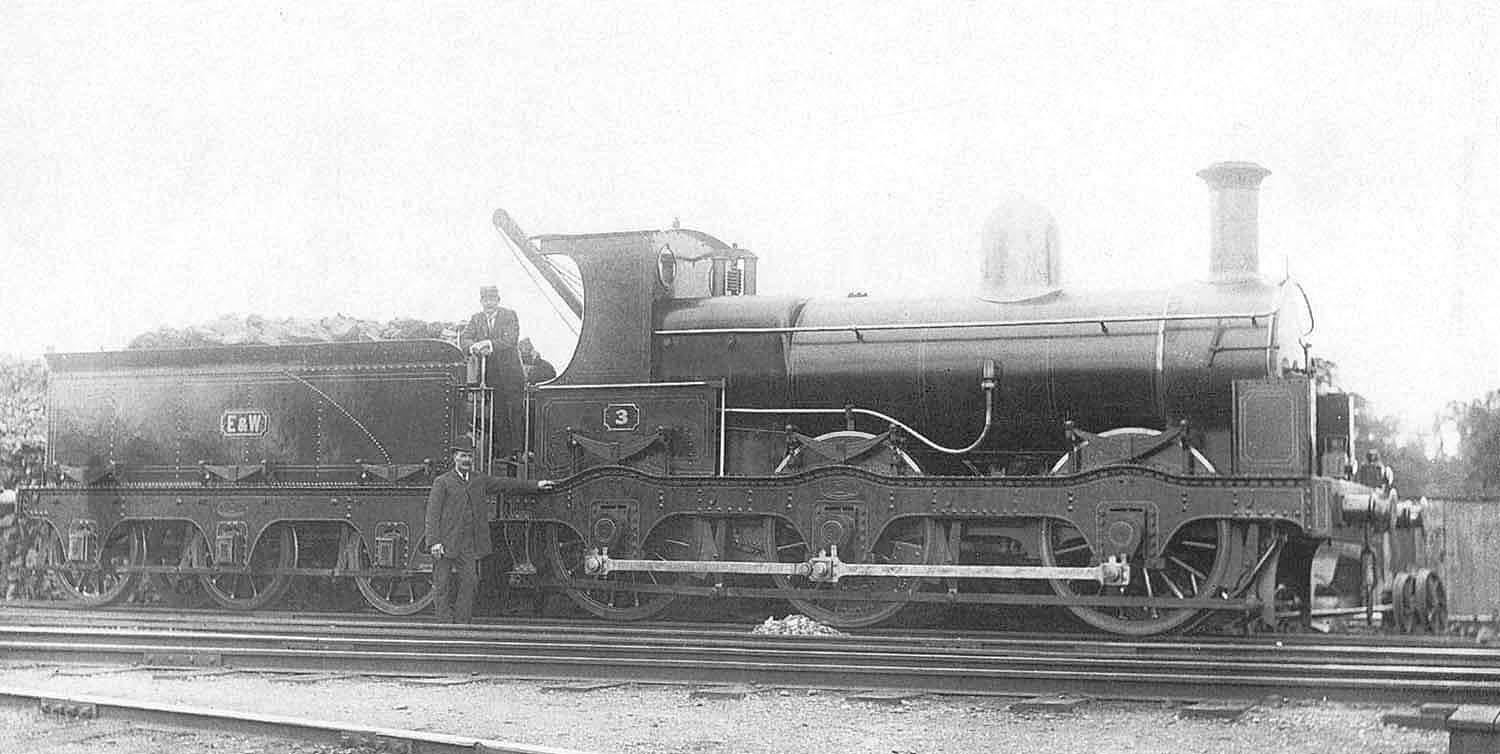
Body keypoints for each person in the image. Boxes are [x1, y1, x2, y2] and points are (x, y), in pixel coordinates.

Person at [425, 440, 554, 623]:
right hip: (445, 543)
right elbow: (432, 514)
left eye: (469, 456)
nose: (466, 460)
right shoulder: (442, 482)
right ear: (455, 457)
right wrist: (434, 542)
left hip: (468, 543)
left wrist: (536, 485)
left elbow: (505, 484)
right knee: (442, 584)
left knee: (470, 582)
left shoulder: (479, 480)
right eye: (462, 456)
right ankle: (444, 623)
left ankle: (462, 622)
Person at [460, 286, 525, 452]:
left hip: (511, 374)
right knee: (498, 413)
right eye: (485, 300)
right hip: (491, 374)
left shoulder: (509, 315)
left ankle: (519, 451)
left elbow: (510, 339)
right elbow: (465, 338)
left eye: (492, 299)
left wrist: (488, 344)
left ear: (498, 300)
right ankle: (504, 451)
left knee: (515, 412)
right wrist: (474, 347)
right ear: (481, 302)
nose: (489, 303)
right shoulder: (476, 319)